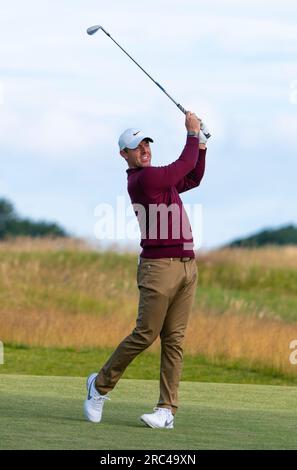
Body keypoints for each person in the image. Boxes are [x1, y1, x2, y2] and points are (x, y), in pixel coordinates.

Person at [84, 111, 207, 429]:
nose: (145, 150)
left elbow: (192, 177)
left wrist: (202, 147)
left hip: (187, 267)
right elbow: (182, 165)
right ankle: (99, 386)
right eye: (137, 146)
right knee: (145, 334)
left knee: (174, 341)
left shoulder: (159, 180)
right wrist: (193, 134)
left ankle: (166, 410)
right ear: (124, 154)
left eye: (147, 144)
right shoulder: (144, 179)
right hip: (158, 268)